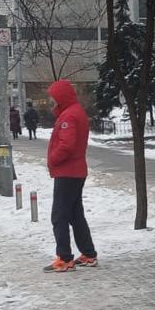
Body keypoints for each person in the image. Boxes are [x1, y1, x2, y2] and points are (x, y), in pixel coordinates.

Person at [44, 79, 97, 272]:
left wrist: (53, 160)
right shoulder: (74, 112)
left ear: (61, 97)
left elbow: (67, 145)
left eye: (53, 98)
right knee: (75, 215)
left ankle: (65, 258)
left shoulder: (69, 116)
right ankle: (89, 254)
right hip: (75, 171)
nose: (51, 102)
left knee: (59, 216)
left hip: (68, 172)